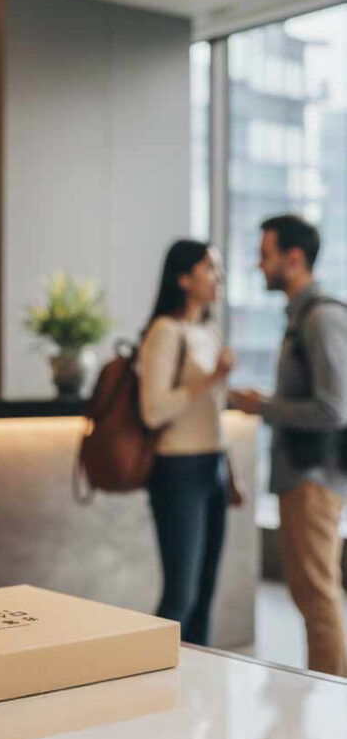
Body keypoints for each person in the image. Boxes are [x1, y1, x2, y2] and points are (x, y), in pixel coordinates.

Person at [231, 214, 347, 677]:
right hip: (301, 476)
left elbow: (334, 408)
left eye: (265, 254)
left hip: (314, 479)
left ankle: (331, 699)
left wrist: (265, 407)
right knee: (311, 595)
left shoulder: (322, 318)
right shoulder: (301, 316)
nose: (259, 265)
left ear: (293, 258)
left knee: (318, 598)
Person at [139, 239, 241, 645]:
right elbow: (153, 411)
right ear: (183, 278)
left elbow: (212, 413)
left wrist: (231, 474)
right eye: (210, 268)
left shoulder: (209, 331)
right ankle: (150, 680)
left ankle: (199, 693)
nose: (220, 277)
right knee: (180, 594)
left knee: (204, 595)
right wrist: (210, 380)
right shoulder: (165, 332)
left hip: (211, 467)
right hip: (177, 470)